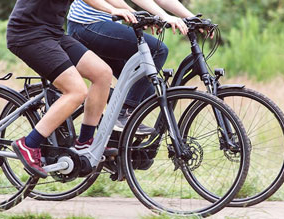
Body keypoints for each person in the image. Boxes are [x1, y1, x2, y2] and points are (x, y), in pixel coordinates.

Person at [6, 0, 137, 178]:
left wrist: (134, 14)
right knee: (76, 91)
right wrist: (113, 10)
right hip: (28, 35)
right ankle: (29, 144)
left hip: (54, 33)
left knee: (103, 73)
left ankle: (84, 142)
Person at [67, 0, 195, 133]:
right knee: (158, 50)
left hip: (103, 26)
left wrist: (191, 17)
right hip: (86, 25)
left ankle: (112, 139)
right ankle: (125, 112)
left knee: (147, 92)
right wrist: (160, 16)